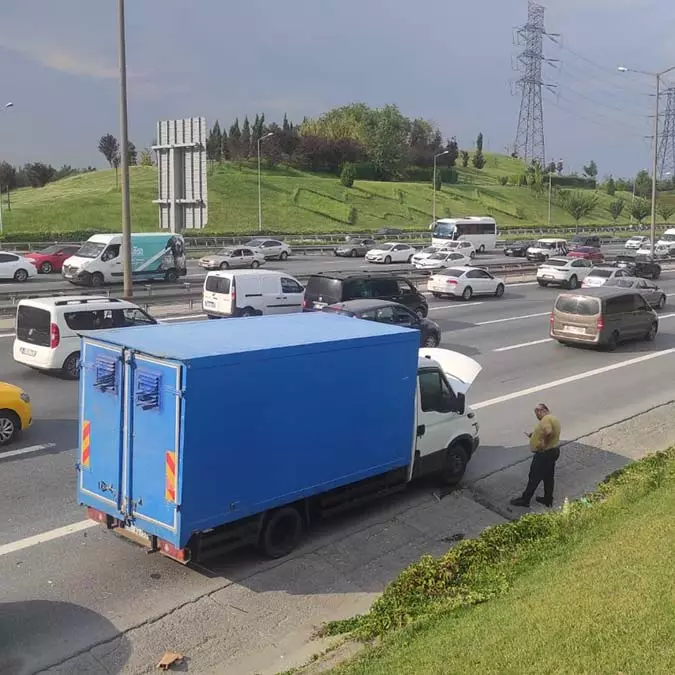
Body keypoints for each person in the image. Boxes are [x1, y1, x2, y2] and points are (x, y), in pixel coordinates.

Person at [510, 403, 561, 509]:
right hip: (553, 451)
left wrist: (543, 443)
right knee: (548, 477)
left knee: (534, 477)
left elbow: (548, 432)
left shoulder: (546, 419)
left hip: (544, 454)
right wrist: (533, 436)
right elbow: (545, 432)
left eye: (537, 412)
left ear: (543, 410)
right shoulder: (553, 419)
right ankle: (548, 499)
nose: (536, 415)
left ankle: (525, 500)